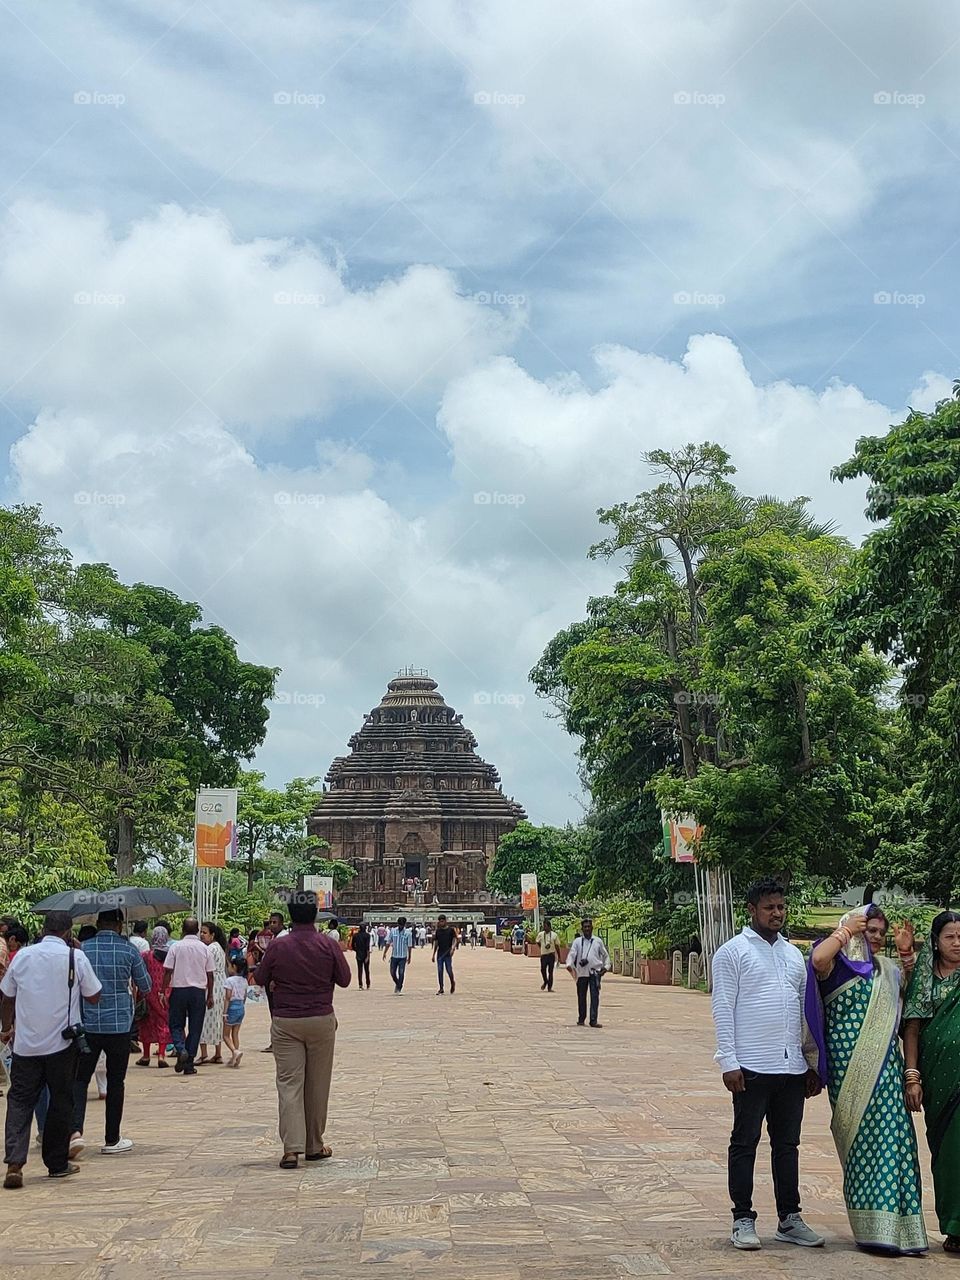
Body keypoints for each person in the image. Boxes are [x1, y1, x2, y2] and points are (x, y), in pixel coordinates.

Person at [711, 878, 824, 1251]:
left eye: (781, 906)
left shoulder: (794, 955)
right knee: (745, 1143)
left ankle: (789, 1218)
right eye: (769, 907)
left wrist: (811, 1064)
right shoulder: (733, 952)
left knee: (787, 1145)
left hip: (791, 1068)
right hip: (751, 1067)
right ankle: (742, 1218)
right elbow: (723, 1008)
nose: (776, 913)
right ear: (751, 910)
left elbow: (805, 1012)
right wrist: (729, 1060)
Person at [807, 905, 926, 1254]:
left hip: (887, 1067)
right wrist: (846, 930)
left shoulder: (886, 970)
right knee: (862, 1144)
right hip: (850, 1067)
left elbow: (914, 995)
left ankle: (902, 1232)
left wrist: (905, 953)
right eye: (868, 930)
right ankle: (872, 1228)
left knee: (896, 1140)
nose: (873, 937)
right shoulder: (836, 965)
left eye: (878, 932)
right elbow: (816, 960)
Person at [1, 912, 102, 1189]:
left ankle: (14, 1162)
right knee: (60, 1101)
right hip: (62, 1044)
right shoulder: (75, 957)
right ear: (69, 932)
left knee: (20, 1102)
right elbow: (94, 995)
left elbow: (7, 996)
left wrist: (7, 1028)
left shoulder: (23, 956)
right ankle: (56, 1164)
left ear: (43, 929)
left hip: (25, 1045)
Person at [254, 892, 351, 1169]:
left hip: (286, 1021)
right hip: (320, 1018)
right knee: (318, 1085)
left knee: (289, 1084)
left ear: (290, 914)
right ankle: (314, 1144)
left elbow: (260, 978)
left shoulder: (278, 946)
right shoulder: (326, 944)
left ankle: (291, 1149)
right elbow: (344, 979)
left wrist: (277, 980)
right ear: (315, 913)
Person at [70, 908, 151, 1158]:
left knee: (80, 1080)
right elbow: (146, 985)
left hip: (88, 1024)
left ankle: (75, 1132)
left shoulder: (83, 949)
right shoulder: (129, 950)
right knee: (116, 1082)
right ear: (119, 924)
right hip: (119, 1026)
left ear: (97, 922)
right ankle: (112, 1138)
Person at [903, 909, 960, 1254]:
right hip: (940, 1081)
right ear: (936, 943)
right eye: (950, 936)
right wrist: (912, 1076)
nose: (957, 942)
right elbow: (912, 1026)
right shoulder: (926, 979)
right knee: (949, 1154)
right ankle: (955, 1226)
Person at [161, 918, 215, 1076]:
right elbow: (210, 975)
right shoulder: (205, 949)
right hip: (198, 992)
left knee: (175, 1024)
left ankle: (180, 1048)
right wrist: (210, 995)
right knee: (195, 1027)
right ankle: (189, 1063)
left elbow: (168, 971)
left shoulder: (176, 947)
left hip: (179, 991)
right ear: (197, 930)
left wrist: (162, 991)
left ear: (182, 930)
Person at [565, 918, 610, 1028]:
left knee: (595, 996)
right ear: (582, 929)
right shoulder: (577, 942)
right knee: (581, 996)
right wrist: (569, 965)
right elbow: (572, 954)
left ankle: (593, 1020)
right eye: (585, 927)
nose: (587, 929)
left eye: (588, 927)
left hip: (594, 973)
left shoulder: (597, 941)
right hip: (581, 972)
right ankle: (581, 1018)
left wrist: (606, 967)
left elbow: (605, 955)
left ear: (592, 928)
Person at [136, 932, 170, 1069]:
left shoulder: (146, 955)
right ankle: (161, 1055)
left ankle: (146, 1056)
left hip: (148, 992)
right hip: (165, 993)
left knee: (146, 1024)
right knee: (163, 1024)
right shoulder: (170, 955)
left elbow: (140, 972)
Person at [197, 922, 227, 1065]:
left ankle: (203, 1054)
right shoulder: (219, 948)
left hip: (211, 985)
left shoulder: (210, 949)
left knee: (203, 1018)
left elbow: (206, 970)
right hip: (220, 984)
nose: (202, 935)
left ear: (212, 935)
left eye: (204, 932)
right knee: (216, 1019)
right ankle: (218, 1053)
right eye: (201, 932)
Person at [222, 956, 248, 1068]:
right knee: (235, 1033)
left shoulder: (229, 981)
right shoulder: (244, 980)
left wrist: (225, 1013)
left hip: (232, 1007)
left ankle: (234, 1051)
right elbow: (245, 996)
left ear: (234, 967)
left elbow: (227, 997)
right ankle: (235, 1057)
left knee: (226, 1035)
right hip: (241, 1007)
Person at [383, 917, 413, 994]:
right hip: (394, 956)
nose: (401, 927)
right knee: (392, 972)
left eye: (402, 925)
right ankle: (398, 983)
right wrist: (385, 952)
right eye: (400, 925)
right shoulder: (393, 931)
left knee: (401, 972)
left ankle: (399, 988)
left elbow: (409, 946)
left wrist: (409, 956)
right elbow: (388, 942)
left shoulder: (408, 933)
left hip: (403, 956)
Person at [433, 915, 458, 996]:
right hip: (440, 953)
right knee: (440, 971)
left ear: (445, 921)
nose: (441, 922)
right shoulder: (438, 931)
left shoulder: (450, 930)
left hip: (447, 953)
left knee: (449, 970)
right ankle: (441, 988)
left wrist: (453, 948)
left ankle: (452, 982)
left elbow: (454, 939)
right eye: (440, 921)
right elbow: (436, 943)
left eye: (442, 921)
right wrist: (433, 954)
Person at [536, 917, 561, 992]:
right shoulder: (540, 934)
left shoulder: (554, 935)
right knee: (542, 969)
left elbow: (557, 946)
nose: (544, 927)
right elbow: (537, 941)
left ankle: (549, 987)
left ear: (549, 927)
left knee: (550, 971)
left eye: (545, 926)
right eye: (543, 926)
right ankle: (545, 981)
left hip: (551, 955)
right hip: (543, 955)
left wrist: (559, 956)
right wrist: (541, 947)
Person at [352, 923, 371, 990]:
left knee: (360, 970)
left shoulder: (355, 935)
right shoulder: (367, 935)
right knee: (367, 970)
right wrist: (368, 956)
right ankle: (368, 984)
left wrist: (356, 950)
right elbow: (367, 946)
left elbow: (352, 945)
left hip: (358, 954)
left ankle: (360, 985)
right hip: (365, 954)